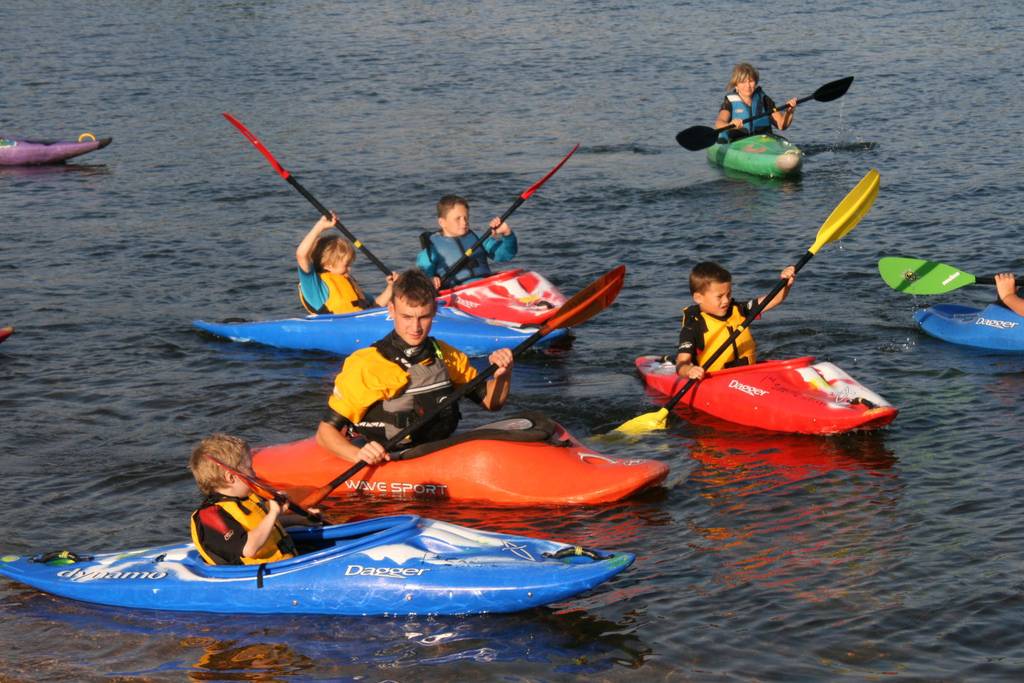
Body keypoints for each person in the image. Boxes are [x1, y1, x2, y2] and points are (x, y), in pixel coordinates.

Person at [316, 269, 514, 465]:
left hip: (436, 451)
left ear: (435, 311)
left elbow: (491, 403)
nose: (415, 328)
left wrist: (503, 375)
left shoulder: (448, 355)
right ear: (392, 311)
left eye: (424, 317)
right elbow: (325, 433)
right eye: (407, 317)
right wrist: (357, 454)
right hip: (390, 458)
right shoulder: (367, 364)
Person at [188, 433, 304, 565]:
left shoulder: (247, 499)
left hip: (287, 563)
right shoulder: (211, 517)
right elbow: (249, 548)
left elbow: (262, 525)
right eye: (249, 468)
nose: (254, 473)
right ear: (231, 478)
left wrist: (299, 520)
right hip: (259, 579)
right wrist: (273, 513)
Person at [675, 261, 796, 379]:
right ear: (698, 297)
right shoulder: (693, 326)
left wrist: (785, 284)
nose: (726, 300)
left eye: (728, 294)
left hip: (749, 374)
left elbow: (772, 300)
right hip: (714, 380)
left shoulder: (739, 310)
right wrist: (689, 370)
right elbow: (681, 364)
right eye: (719, 296)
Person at [296, 212, 397, 314]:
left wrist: (391, 287)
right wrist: (320, 227)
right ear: (328, 265)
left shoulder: (348, 282)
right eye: (346, 265)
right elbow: (301, 255)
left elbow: (373, 308)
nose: (350, 269)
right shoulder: (315, 287)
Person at [415, 194, 517, 289]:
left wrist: (507, 234)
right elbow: (421, 279)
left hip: (486, 286)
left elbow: (505, 255)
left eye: (466, 217)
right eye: (458, 219)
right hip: (458, 294)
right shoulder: (431, 250)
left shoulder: (479, 238)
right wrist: (429, 281)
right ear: (442, 222)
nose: (464, 222)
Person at [716, 63, 798, 143]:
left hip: (762, 143)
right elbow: (719, 123)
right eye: (743, 82)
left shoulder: (764, 100)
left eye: (751, 81)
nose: (748, 86)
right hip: (738, 143)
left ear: (755, 82)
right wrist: (731, 125)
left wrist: (789, 112)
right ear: (736, 85)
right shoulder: (730, 102)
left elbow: (781, 125)